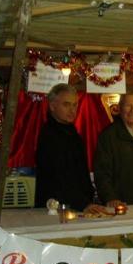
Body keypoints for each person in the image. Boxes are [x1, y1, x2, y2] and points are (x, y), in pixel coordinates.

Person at [35, 84, 107, 214]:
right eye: (66, 105)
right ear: (52, 106)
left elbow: (81, 174)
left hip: (77, 205)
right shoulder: (49, 136)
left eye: (75, 105)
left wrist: (89, 199)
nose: (72, 110)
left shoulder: (72, 134)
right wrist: (83, 203)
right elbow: (59, 178)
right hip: (56, 209)